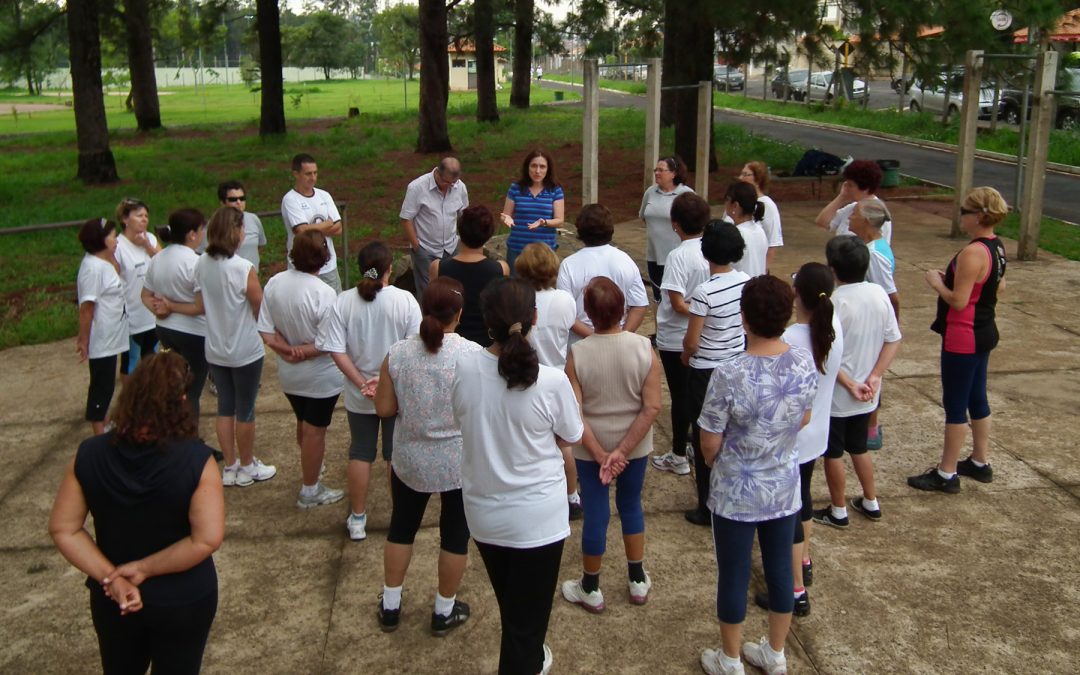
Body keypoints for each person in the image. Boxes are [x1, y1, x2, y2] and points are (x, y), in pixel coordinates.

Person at [49, 351, 224, 675]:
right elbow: (206, 539)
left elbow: (64, 529)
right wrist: (142, 569)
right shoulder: (198, 461)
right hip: (182, 598)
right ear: (181, 400)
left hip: (114, 600)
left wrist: (111, 577)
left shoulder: (89, 454)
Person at [452, 277, 585, 675]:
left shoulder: (464, 368)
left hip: (484, 516)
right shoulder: (552, 382)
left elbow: (462, 419)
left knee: (516, 613)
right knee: (526, 627)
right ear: (534, 319)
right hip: (538, 520)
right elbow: (570, 436)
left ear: (485, 321)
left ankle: (529, 656)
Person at [697, 275, 818, 675]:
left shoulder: (730, 372)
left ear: (743, 318)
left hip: (736, 488)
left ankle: (730, 659)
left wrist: (724, 462)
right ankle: (776, 652)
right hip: (783, 485)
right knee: (783, 568)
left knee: (733, 573)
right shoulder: (803, 361)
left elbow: (709, 441)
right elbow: (803, 416)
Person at [372, 277, 480, 636]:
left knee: (401, 529)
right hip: (457, 463)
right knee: (454, 536)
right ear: (459, 314)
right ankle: (443, 610)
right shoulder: (472, 356)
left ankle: (390, 605)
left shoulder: (399, 353)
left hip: (411, 460)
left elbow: (385, 409)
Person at [560, 277, 661, 613]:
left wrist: (602, 453)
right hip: (634, 445)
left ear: (587, 312)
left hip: (591, 449)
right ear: (623, 310)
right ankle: (636, 579)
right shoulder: (644, 349)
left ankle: (591, 585)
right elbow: (652, 407)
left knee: (596, 513)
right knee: (631, 505)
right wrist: (622, 451)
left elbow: (574, 411)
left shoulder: (577, 354)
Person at [754, 262, 842, 618]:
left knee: (788, 514)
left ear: (797, 295)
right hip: (817, 433)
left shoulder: (790, 340)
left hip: (792, 439)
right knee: (802, 499)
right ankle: (803, 559)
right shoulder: (833, 327)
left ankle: (795, 590)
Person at [908, 187, 1008, 493]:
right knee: (977, 397)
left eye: (964, 212)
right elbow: (998, 288)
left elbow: (959, 300)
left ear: (979, 216)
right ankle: (980, 461)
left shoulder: (972, 252)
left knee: (955, 404)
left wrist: (937, 282)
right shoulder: (997, 247)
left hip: (962, 335)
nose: (961, 217)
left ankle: (946, 473)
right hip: (985, 330)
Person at [321, 242, 422, 540]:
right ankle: (399, 516)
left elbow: (335, 350)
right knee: (395, 455)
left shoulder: (343, 302)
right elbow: (413, 349)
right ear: (390, 268)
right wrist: (385, 380)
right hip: (395, 393)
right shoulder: (405, 301)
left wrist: (361, 382)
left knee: (361, 452)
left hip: (359, 394)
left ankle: (357, 518)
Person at [812, 236, 901, 529]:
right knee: (859, 447)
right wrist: (875, 376)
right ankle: (871, 500)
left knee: (833, 452)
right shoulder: (879, 294)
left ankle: (838, 509)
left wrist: (849, 383)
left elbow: (824, 353)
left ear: (832, 269)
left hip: (839, 395)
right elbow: (893, 340)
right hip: (868, 392)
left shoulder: (835, 302)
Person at [258, 230, 346, 508]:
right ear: (324, 257)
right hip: (320, 376)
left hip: (289, 374)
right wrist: (300, 351)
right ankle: (310, 489)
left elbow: (266, 330)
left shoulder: (274, 282)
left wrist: (286, 351)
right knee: (314, 430)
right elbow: (326, 342)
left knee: (303, 422)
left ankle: (313, 469)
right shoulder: (324, 293)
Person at [194, 206, 276, 487]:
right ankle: (248, 463)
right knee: (246, 409)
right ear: (235, 231)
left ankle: (230, 466)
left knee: (224, 407)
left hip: (215, 347)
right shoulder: (243, 268)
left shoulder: (202, 263)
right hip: (245, 350)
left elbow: (201, 303)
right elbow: (260, 308)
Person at [681, 221, 748, 527]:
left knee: (705, 433)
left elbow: (692, 341)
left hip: (706, 371)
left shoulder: (703, 292)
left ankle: (707, 504)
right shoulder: (747, 281)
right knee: (734, 432)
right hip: (736, 364)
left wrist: (685, 355)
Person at [514, 242, 583, 519]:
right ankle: (572, 496)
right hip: (558, 377)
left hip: (526, 377)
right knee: (564, 444)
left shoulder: (519, 300)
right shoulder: (565, 300)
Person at [651, 193, 710, 477]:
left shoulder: (678, 256)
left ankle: (678, 454)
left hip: (677, 337)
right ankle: (694, 448)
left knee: (681, 397)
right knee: (696, 396)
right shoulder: (711, 250)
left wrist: (702, 311)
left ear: (676, 224)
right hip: (704, 335)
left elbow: (676, 302)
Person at [142, 208, 209, 420]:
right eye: (201, 229)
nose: (203, 233)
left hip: (165, 330)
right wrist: (170, 306)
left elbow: (144, 295)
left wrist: (159, 310)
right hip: (194, 333)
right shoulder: (197, 262)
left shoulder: (159, 257)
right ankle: (189, 441)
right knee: (192, 390)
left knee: (174, 385)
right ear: (192, 234)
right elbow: (201, 307)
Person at [557, 204, 649, 346]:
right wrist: (622, 336)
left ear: (580, 231)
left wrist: (595, 338)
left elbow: (565, 313)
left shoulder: (569, 265)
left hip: (581, 343)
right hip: (619, 340)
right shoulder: (625, 260)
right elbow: (639, 305)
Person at [848, 198, 900, 450]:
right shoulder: (876, 246)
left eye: (854, 214)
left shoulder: (873, 254)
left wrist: (891, 330)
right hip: (873, 319)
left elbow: (891, 296)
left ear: (866, 221)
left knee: (870, 375)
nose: (849, 218)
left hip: (874, 324)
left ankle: (870, 430)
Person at [76, 218, 128, 436]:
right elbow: (87, 307)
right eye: (113, 236)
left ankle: (106, 422)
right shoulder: (92, 269)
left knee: (108, 382)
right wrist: (84, 339)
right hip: (102, 337)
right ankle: (99, 431)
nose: (116, 240)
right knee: (102, 385)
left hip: (115, 334)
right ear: (100, 240)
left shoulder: (105, 262)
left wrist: (111, 254)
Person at [431, 205, 508, 346]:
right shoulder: (501, 269)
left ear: (459, 231)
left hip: (448, 344)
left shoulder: (438, 267)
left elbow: (432, 308)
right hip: (486, 345)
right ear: (489, 234)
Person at [400, 157, 469, 297]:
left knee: (452, 290)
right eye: (446, 182)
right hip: (426, 249)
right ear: (437, 172)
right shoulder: (417, 187)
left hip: (451, 248)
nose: (449, 186)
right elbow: (406, 218)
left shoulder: (460, 187)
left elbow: (464, 215)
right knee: (427, 293)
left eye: (453, 183)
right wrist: (417, 247)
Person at [281, 153, 343, 294]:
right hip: (302, 267)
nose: (313, 178)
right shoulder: (290, 199)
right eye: (308, 174)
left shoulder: (324, 195)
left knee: (334, 305)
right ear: (296, 174)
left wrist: (311, 228)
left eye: (315, 173)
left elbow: (339, 227)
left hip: (328, 266)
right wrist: (327, 224)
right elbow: (301, 231)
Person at [113, 198, 160, 377]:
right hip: (132, 314)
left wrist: (147, 245)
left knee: (153, 359)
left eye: (146, 216)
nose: (144, 219)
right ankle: (129, 399)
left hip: (153, 311)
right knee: (131, 361)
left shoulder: (151, 239)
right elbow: (113, 279)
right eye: (139, 215)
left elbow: (164, 261)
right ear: (125, 219)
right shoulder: (118, 246)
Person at [499, 149, 565, 271]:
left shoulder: (555, 190)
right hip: (517, 248)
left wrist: (543, 222)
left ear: (548, 169)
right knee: (516, 288)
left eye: (542, 167)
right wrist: (506, 218)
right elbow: (505, 215)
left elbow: (559, 220)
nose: (537, 171)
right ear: (527, 167)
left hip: (544, 251)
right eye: (534, 166)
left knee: (543, 288)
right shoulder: (516, 188)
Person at [639, 155, 694, 301]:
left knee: (676, 299)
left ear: (674, 173)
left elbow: (694, 224)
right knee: (658, 298)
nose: (657, 173)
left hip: (677, 257)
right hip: (654, 256)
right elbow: (644, 217)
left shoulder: (686, 194)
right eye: (655, 170)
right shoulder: (650, 192)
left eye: (661, 170)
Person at [815, 159, 892, 243]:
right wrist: (841, 198)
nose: (846, 188)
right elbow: (822, 223)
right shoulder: (852, 207)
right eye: (846, 184)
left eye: (850, 185)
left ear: (865, 188)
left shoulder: (876, 213)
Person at [737, 161, 783, 272]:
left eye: (745, 174)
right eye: (741, 174)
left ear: (758, 179)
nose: (740, 178)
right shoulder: (736, 203)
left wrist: (762, 270)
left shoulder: (767, 205)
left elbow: (772, 243)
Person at [724, 182, 769, 279]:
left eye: (727, 200)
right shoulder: (759, 230)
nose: (725, 204)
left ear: (735, 205)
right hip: (756, 287)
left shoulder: (735, 235)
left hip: (741, 290)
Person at [218, 180, 266, 269]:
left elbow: (259, 246)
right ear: (222, 203)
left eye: (242, 198)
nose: (239, 202)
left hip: (251, 276)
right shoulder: (214, 226)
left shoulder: (254, 219)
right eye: (233, 199)